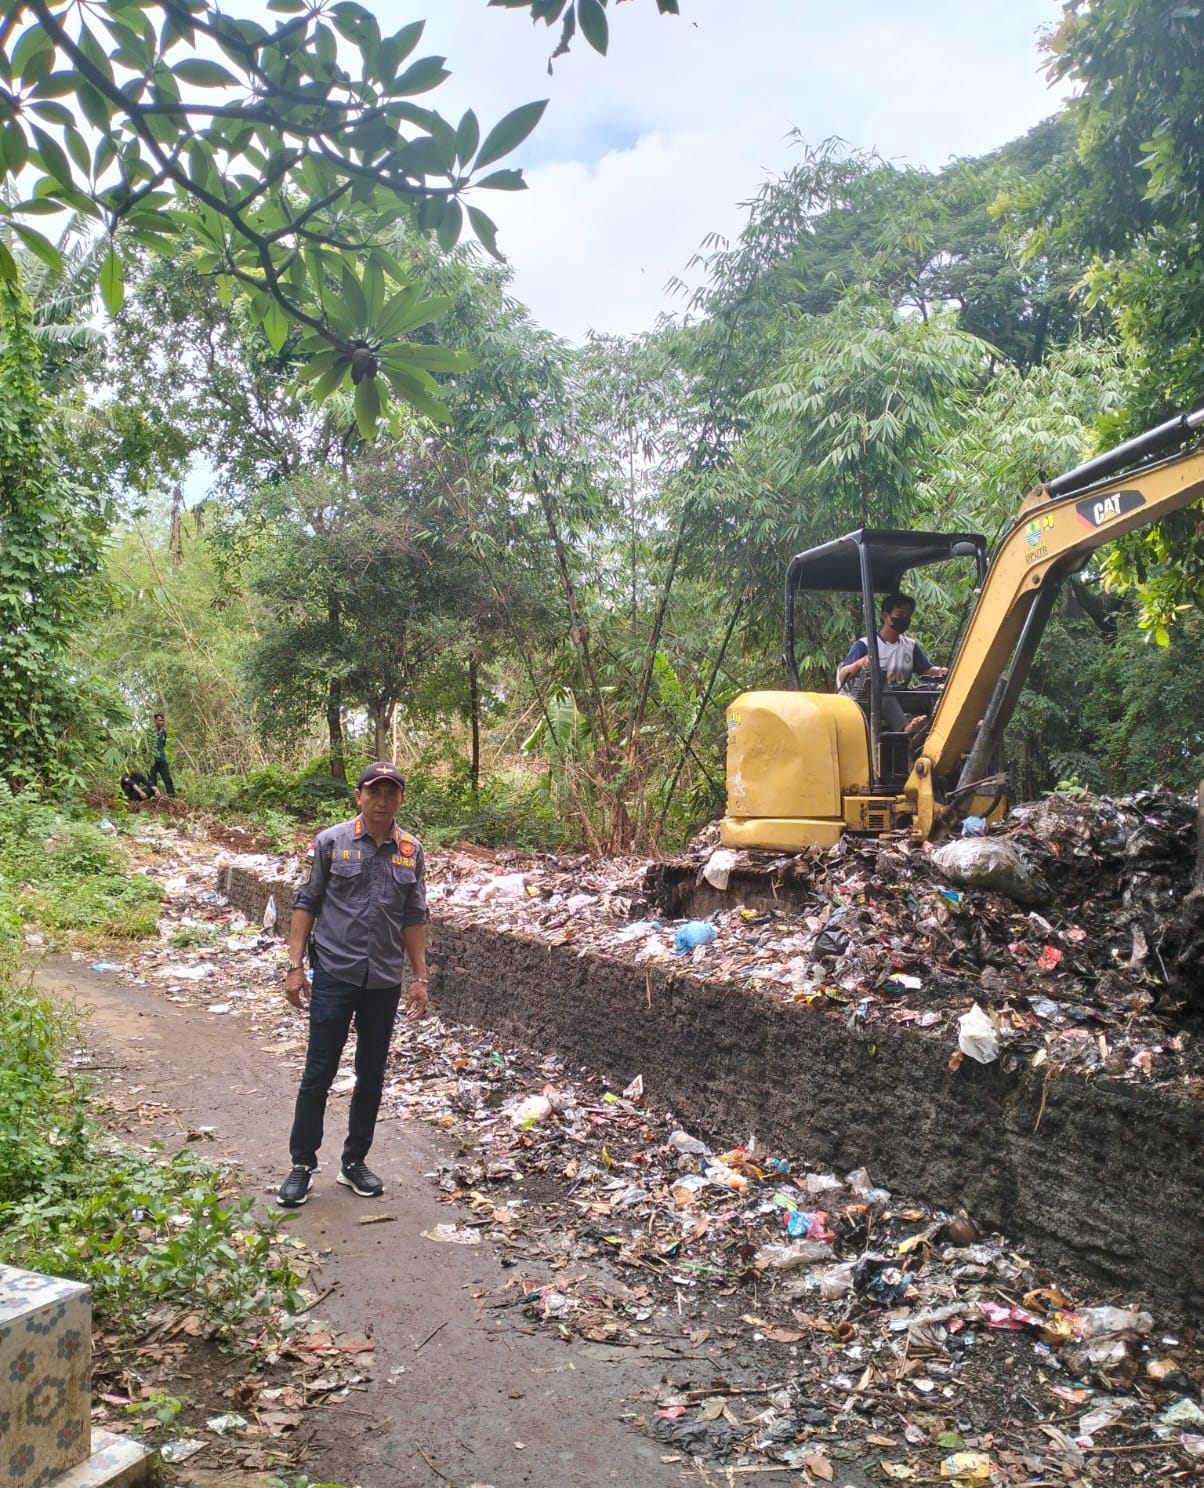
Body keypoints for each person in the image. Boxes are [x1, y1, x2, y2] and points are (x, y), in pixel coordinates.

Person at [277, 761, 430, 1207]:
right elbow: (306, 902)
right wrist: (294, 966)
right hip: (335, 975)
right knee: (319, 1072)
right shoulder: (331, 842)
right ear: (358, 796)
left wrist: (419, 977)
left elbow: (414, 916)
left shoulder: (411, 850)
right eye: (374, 792)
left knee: (371, 1075)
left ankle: (354, 1162)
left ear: (401, 799)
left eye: (391, 793)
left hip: (382, 980)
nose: (382, 801)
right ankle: (302, 1165)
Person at [836, 591, 948, 734]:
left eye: (908, 616)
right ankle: (905, 729)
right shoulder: (865, 644)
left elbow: (927, 669)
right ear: (886, 617)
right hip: (870, 701)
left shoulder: (910, 646)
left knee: (934, 691)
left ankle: (938, 731)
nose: (905, 620)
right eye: (900, 615)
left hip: (900, 696)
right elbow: (842, 675)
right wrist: (859, 663)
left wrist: (942, 671)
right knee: (880, 685)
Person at [149, 712, 175, 796]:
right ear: (155, 721)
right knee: (152, 780)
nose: (162, 722)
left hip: (162, 759)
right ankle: (152, 798)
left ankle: (172, 797)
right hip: (152, 760)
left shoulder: (164, 732)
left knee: (167, 778)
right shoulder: (150, 732)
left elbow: (163, 745)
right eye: (160, 720)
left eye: (163, 720)